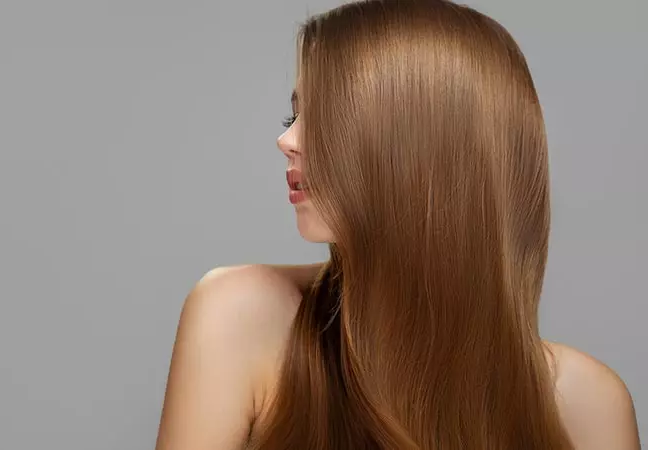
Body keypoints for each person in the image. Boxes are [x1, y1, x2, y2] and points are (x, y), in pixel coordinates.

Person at [155, 0, 641, 449]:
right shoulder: (242, 315)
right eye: (295, 113)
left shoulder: (588, 403)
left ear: (420, 146)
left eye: (326, 115)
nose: (287, 139)